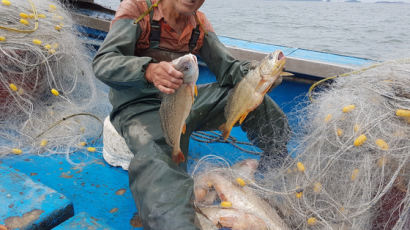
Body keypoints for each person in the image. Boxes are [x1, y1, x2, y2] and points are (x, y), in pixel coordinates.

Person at [92, 0, 289, 229]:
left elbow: (228, 68)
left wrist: (258, 76)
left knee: (253, 100)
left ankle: (278, 161)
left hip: (185, 99)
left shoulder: (199, 23)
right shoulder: (138, 8)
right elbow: (103, 63)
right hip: (140, 106)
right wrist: (148, 70)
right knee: (160, 165)